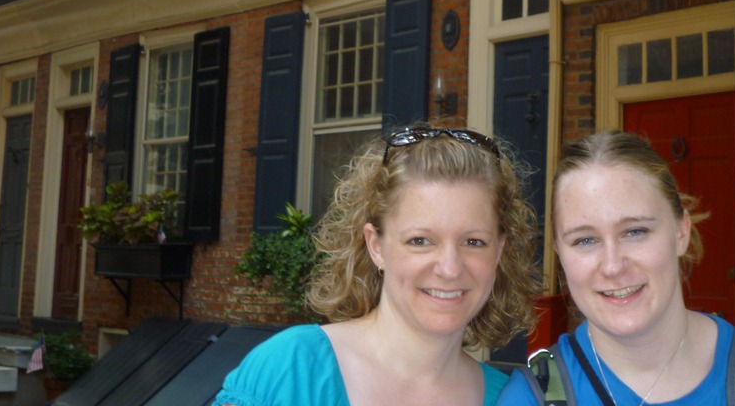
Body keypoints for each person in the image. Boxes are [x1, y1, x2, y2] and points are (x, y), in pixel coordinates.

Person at [215, 124, 540, 406]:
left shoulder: (512, 398)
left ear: (499, 251)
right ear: (376, 246)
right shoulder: (293, 370)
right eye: (420, 240)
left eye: (474, 242)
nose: (450, 268)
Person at [498, 130, 735, 406]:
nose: (612, 265)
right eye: (585, 240)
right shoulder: (532, 397)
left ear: (681, 232)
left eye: (635, 232)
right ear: (560, 253)